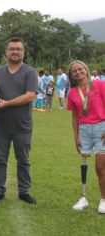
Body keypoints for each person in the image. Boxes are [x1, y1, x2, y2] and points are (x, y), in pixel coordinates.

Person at [0, 37, 38, 204]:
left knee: (23, 160)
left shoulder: (30, 72)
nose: (15, 51)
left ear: (23, 52)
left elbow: (30, 96)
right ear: (6, 52)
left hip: (22, 126)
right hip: (0, 126)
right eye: (12, 49)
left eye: (18, 49)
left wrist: (7, 103)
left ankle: (24, 191)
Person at [66, 60, 105, 213]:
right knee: (83, 163)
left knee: (100, 167)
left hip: (101, 128)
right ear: (72, 75)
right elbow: (75, 117)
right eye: (74, 71)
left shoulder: (100, 85)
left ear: (86, 70)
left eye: (80, 69)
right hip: (83, 130)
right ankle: (83, 198)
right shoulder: (72, 92)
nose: (78, 72)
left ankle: (103, 199)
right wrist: (75, 137)